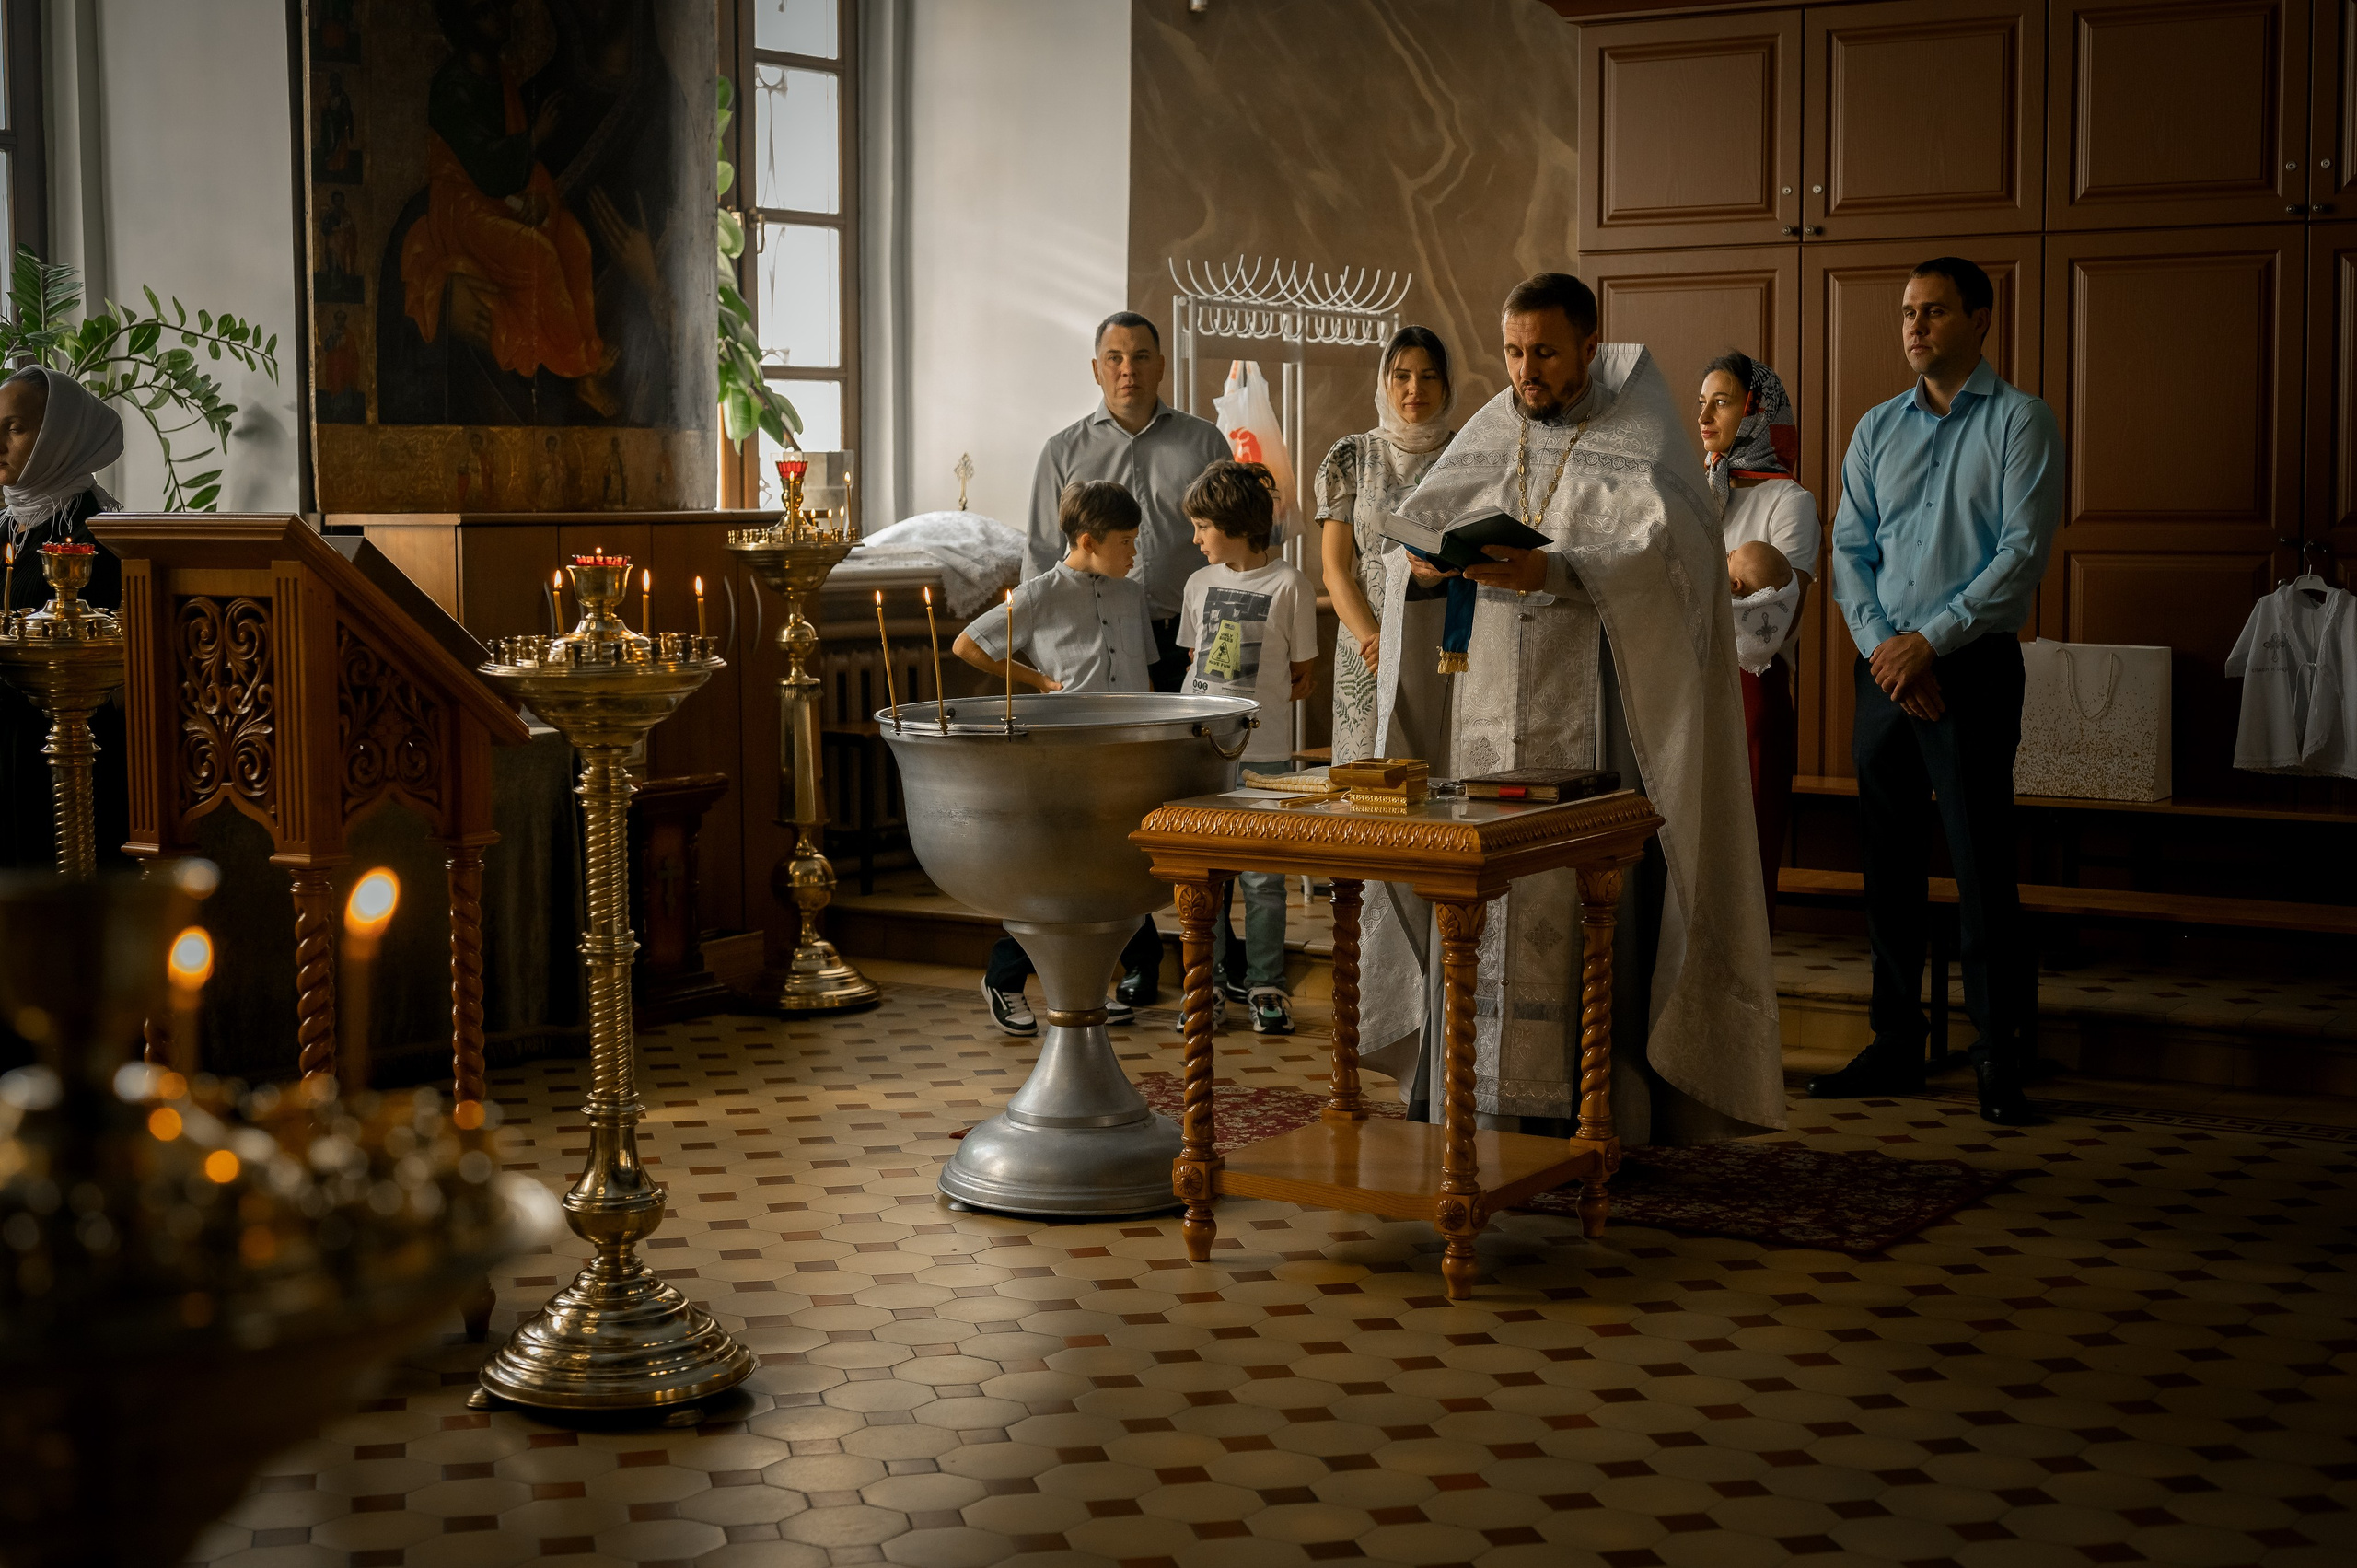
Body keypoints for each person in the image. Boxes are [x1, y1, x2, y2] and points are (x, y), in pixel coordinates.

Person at [1356, 273, 1784, 1146]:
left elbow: (1678, 565)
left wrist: (1559, 572)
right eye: (1513, 352)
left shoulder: (1647, 433)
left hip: (1595, 732)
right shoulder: (1489, 430)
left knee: (1591, 911)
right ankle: (1467, 1102)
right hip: (1480, 728)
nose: (1525, 371)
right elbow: (1418, 533)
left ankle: (1600, 1118)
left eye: (1544, 352)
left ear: (1590, 345)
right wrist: (1424, 569)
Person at [1820, 257, 2063, 1126]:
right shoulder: (1876, 427)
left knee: (1978, 863)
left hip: (1970, 663)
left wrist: (1932, 642)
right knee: (1887, 867)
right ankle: (1896, 1045)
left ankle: (1999, 1053)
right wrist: (1891, 648)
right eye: (1907, 313)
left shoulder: (2021, 422)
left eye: (1934, 311)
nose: (1914, 327)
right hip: (1885, 664)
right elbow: (1849, 551)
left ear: (1981, 319)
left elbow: (2021, 555)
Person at [956, 482, 1167, 1035]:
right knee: (1061, 880)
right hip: (1067, 756)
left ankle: (1090, 986)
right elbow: (968, 646)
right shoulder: (1040, 594)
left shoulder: (1129, 593)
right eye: (1125, 541)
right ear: (1087, 540)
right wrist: (1039, 682)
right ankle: (1003, 979)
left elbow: (1142, 674)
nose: (1134, 553)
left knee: (1113, 877)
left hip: (1127, 751)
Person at [1178, 461, 1318, 1035]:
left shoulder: (1290, 584)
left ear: (1236, 525)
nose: (1195, 538)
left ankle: (1265, 986)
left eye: (1202, 526)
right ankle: (1202, 987)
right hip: (1201, 751)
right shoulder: (1198, 584)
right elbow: (1195, 663)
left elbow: (1302, 675)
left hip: (1264, 753)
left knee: (1263, 876)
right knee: (1205, 873)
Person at [1025, 313, 1231, 693]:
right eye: (1114, 358)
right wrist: (1047, 657)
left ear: (1161, 366)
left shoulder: (1206, 442)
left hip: (1194, 634)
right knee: (1118, 751)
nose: (1127, 370)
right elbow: (1040, 556)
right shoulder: (1061, 452)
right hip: (1096, 641)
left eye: (1141, 357)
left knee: (1200, 745)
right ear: (1096, 369)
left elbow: (1233, 539)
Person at [1698, 351, 1819, 924]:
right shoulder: (1690, 493)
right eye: (1701, 403)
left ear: (1754, 411)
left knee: (1745, 860)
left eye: (1720, 402)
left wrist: (1712, 573)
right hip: (1686, 688)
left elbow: (1782, 616)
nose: (1704, 415)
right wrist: (1728, 575)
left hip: (1753, 692)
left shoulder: (1788, 501)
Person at [0, 367, 129, 870]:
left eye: (14, 428)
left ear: (60, 434)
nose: (0, 443)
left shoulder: (93, 535)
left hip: (61, 755)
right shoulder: (10, 525)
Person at [1316, 326, 1457, 764]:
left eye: (1430, 376)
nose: (1415, 389)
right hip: (1367, 637)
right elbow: (1335, 570)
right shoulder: (1352, 455)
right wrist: (1374, 640)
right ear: (1385, 382)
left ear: (1447, 384)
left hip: (1443, 636)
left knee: (1440, 768)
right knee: (1368, 775)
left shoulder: (1467, 456)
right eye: (1402, 376)